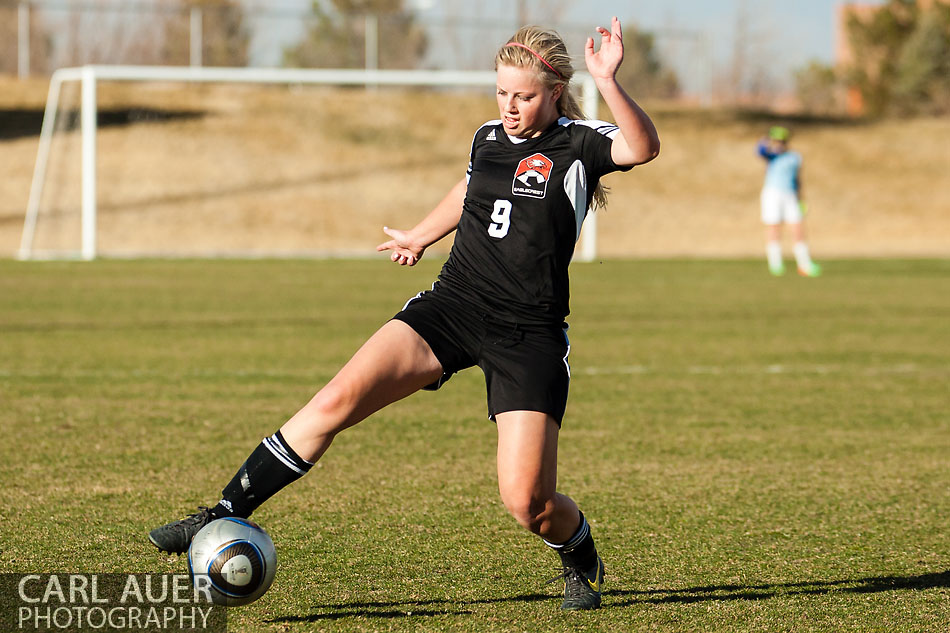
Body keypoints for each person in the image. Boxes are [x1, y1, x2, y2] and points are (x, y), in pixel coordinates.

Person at [148, 17, 660, 611]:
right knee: (332, 403)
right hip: (452, 306)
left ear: (552, 92)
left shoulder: (580, 143)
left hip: (527, 334)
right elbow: (469, 190)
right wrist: (420, 235)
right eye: (501, 92)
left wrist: (609, 82)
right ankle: (221, 513)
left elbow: (643, 148)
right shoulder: (487, 137)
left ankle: (577, 549)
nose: (510, 106)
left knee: (528, 503)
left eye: (523, 96)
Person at [756, 126, 821, 277]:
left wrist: (801, 199)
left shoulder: (794, 157)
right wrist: (766, 139)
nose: (779, 143)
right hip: (773, 194)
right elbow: (759, 151)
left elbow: (798, 179)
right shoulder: (771, 156)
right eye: (776, 141)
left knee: (797, 228)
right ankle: (776, 264)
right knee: (774, 227)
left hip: (790, 194)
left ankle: (804, 264)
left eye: (781, 141)